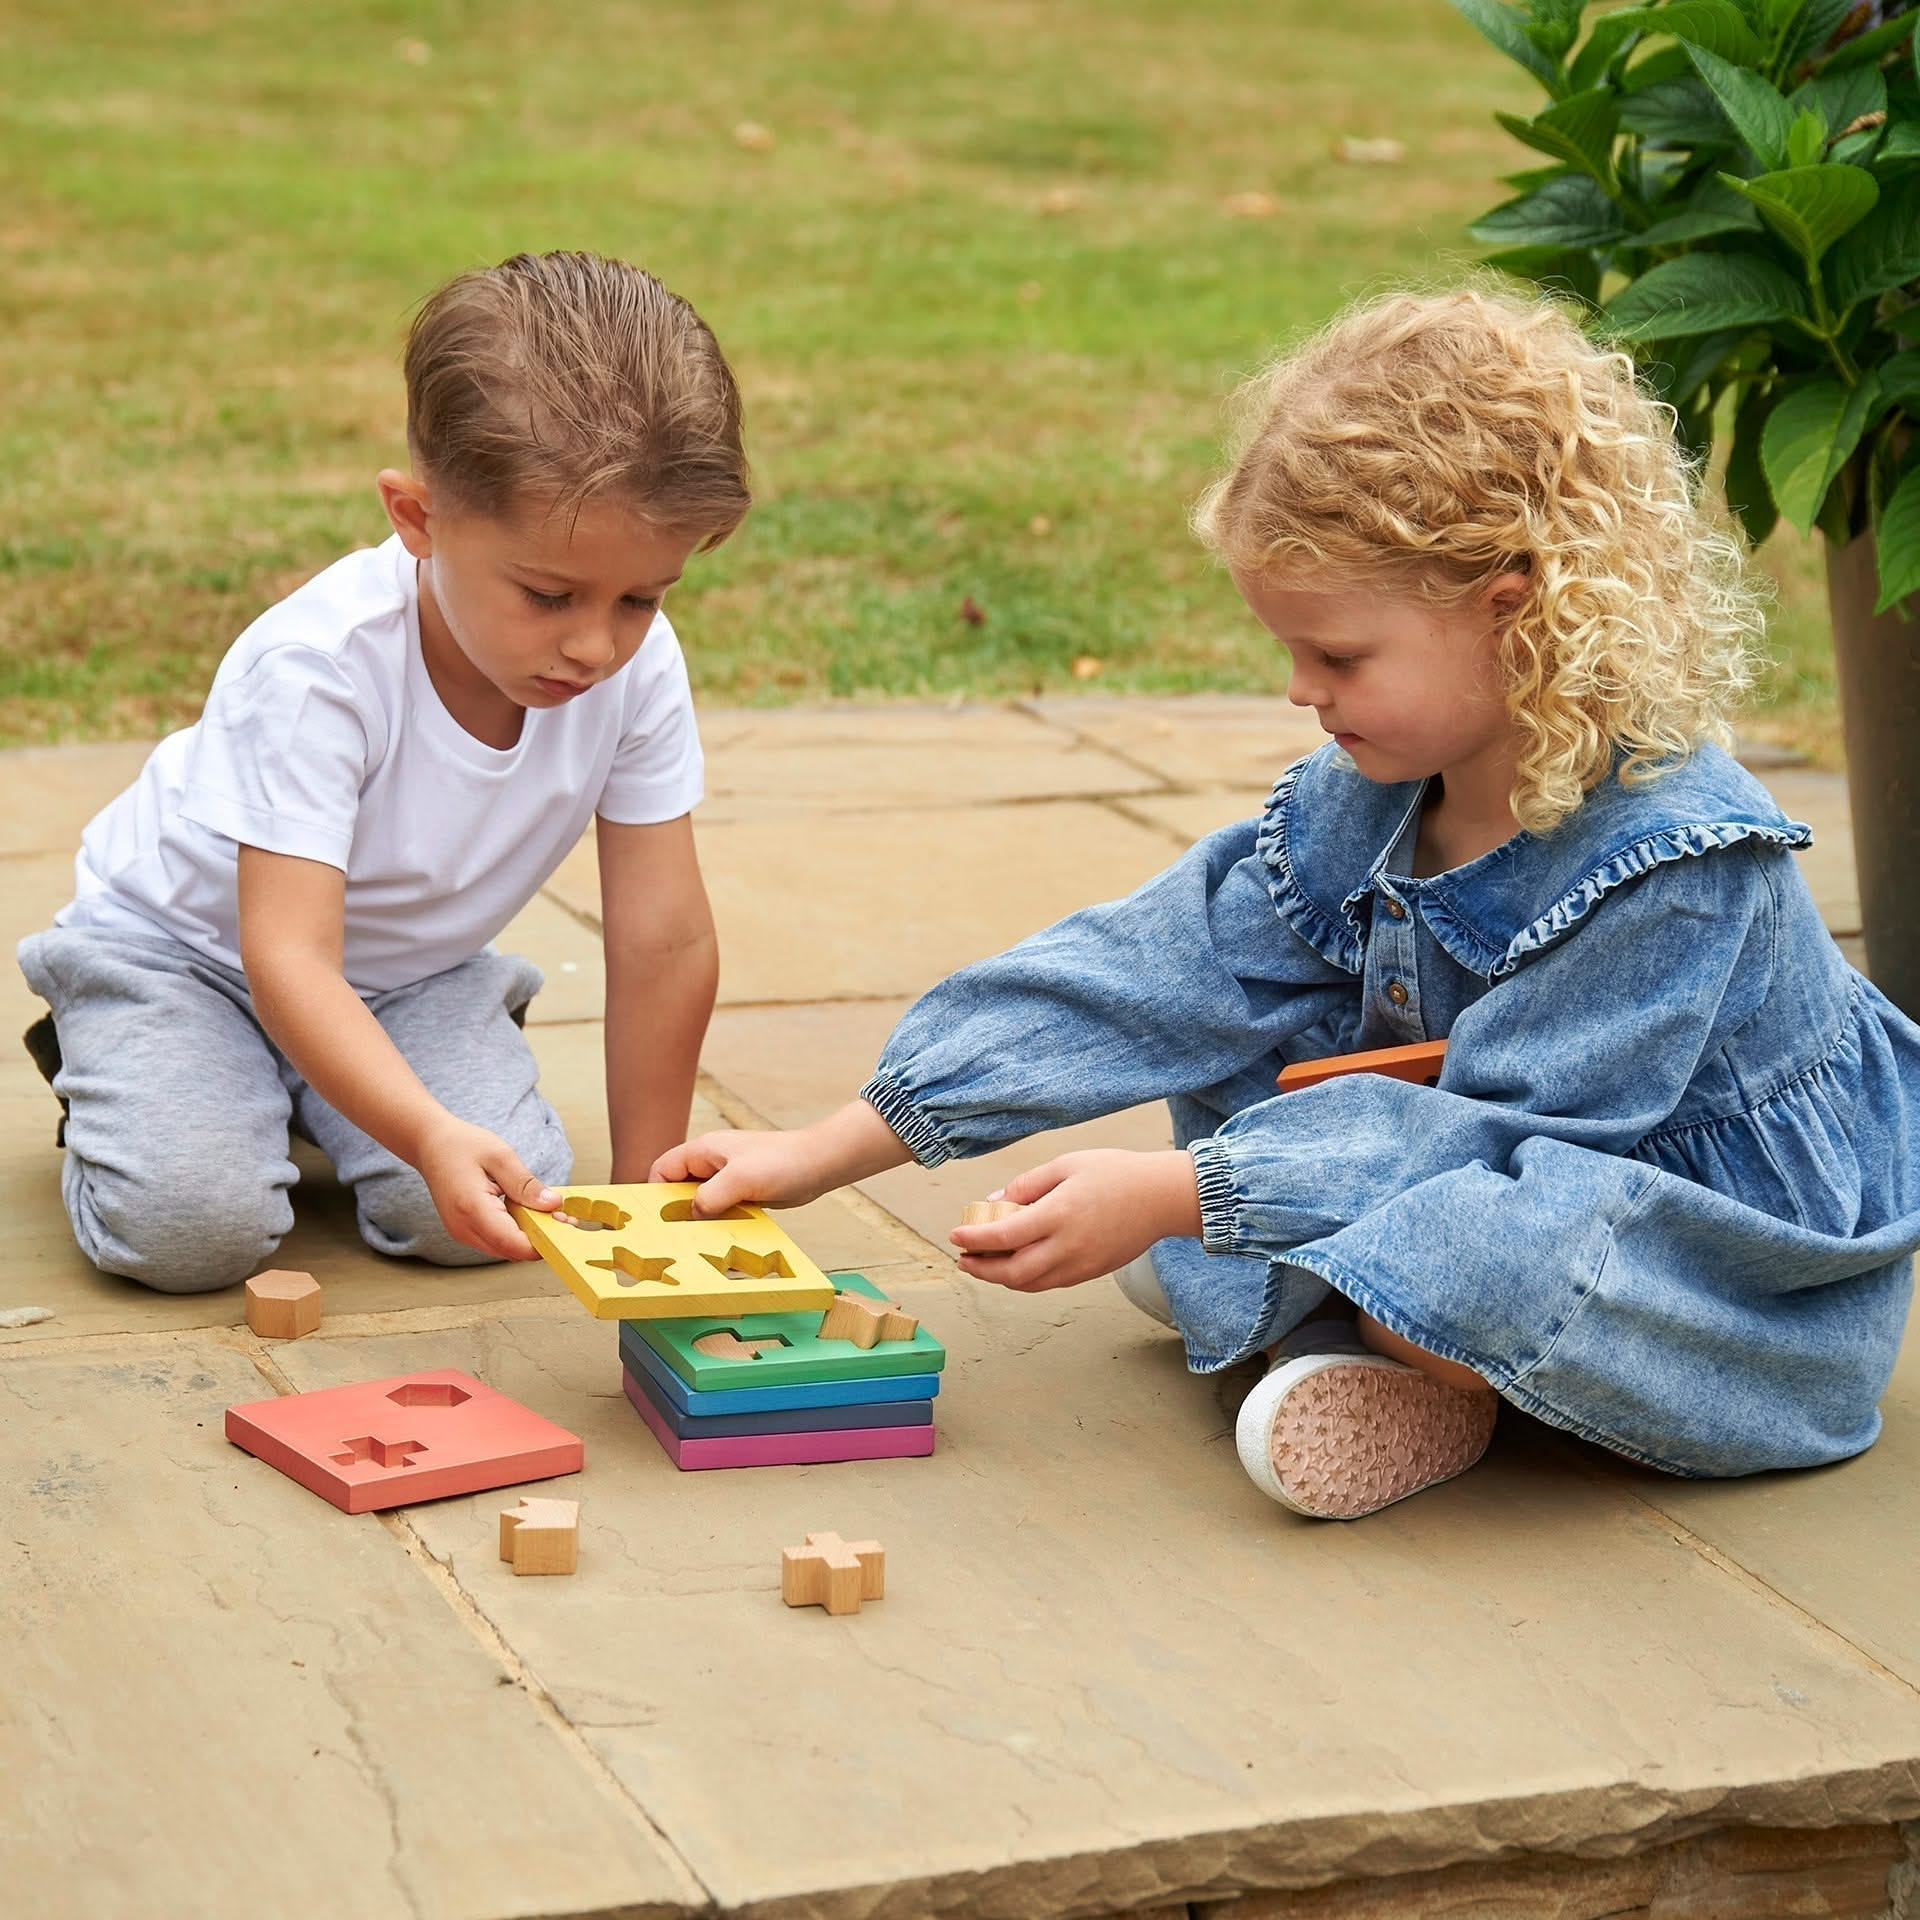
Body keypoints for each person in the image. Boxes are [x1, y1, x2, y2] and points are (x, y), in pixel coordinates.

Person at [653, 286, 1920, 1521]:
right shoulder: (1371, 786)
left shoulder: (1677, 857)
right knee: (1239, 1066)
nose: (1303, 692)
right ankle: (1398, 1356)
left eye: (1338, 655)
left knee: (1465, 1250)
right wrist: (843, 1140)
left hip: (1697, 1264)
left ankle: (1372, 1327)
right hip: (1460, 1156)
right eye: (1292, 652)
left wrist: (1180, 1197)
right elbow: (1156, 965)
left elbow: (1502, 1140)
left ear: (1515, 602)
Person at [19, 250, 749, 1293]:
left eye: (642, 598)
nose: (596, 645)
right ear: (418, 520)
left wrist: (646, 1203)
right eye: (550, 596)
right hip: (188, 959)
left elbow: (665, 936)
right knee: (191, 1233)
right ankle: (120, 1061)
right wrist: (421, 1123)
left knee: (493, 1211)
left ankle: (324, 1092)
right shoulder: (316, 669)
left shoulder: (639, 672)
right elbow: (288, 956)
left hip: (403, 974)